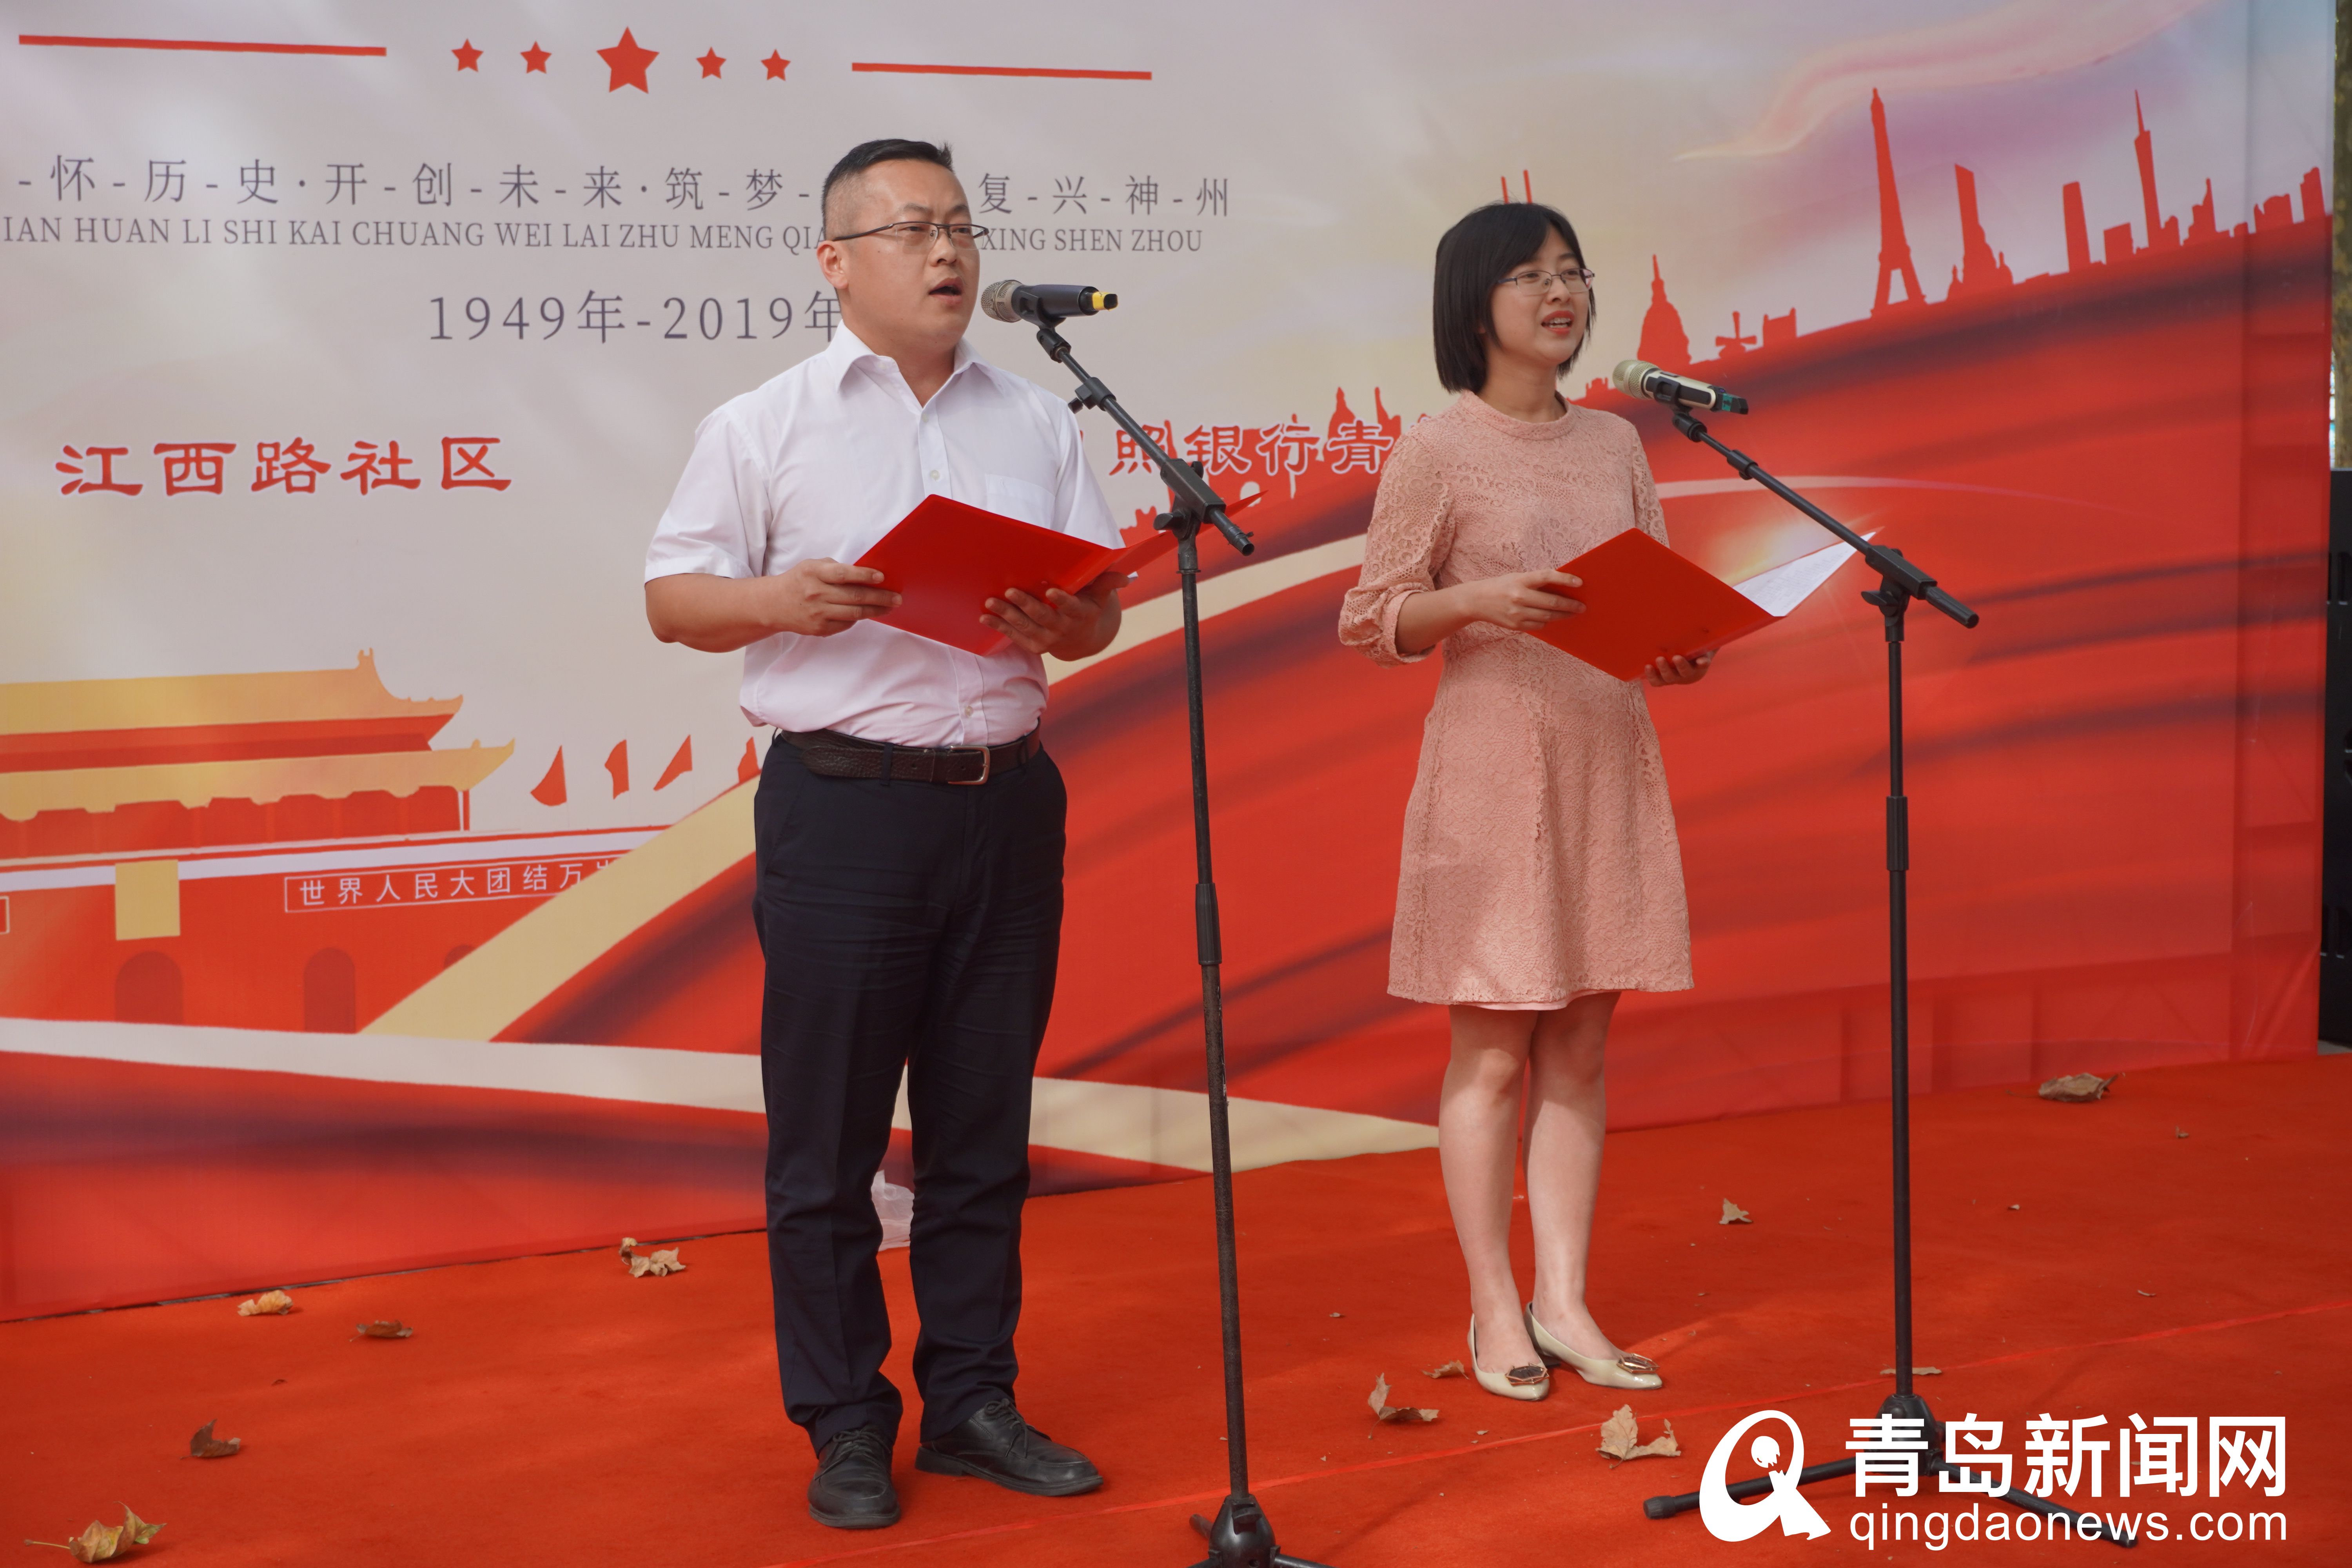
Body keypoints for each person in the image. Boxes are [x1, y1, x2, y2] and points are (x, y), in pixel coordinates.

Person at [642, 137, 1124, 1530]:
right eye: (913, 228)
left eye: (961, 225)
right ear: (836, 262)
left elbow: (1099, 613)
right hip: (846, 809)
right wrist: (779, 602)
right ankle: (847, 1420)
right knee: (831, 1145)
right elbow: (673, 599)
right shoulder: (764, 424)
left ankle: (973, 1400)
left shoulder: (1036, 419)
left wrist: (1069, 618)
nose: (948, 252)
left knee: (982, 1133)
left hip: (1007, 802)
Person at [1337, 201, 1710, 1403]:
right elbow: (1371, 618)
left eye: (1573, 273)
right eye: (1532, 276)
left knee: (1584, 1045)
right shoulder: (1437, 450)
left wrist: (1680, 649)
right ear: (1474, 301)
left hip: (1606, 754)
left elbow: (1648, 595)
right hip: (1497, 772)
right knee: (1495, 1047)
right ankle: (1495, 1304)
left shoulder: (1615, 445)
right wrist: (1478, 601)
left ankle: (1566, 1301)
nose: (1562, 293)